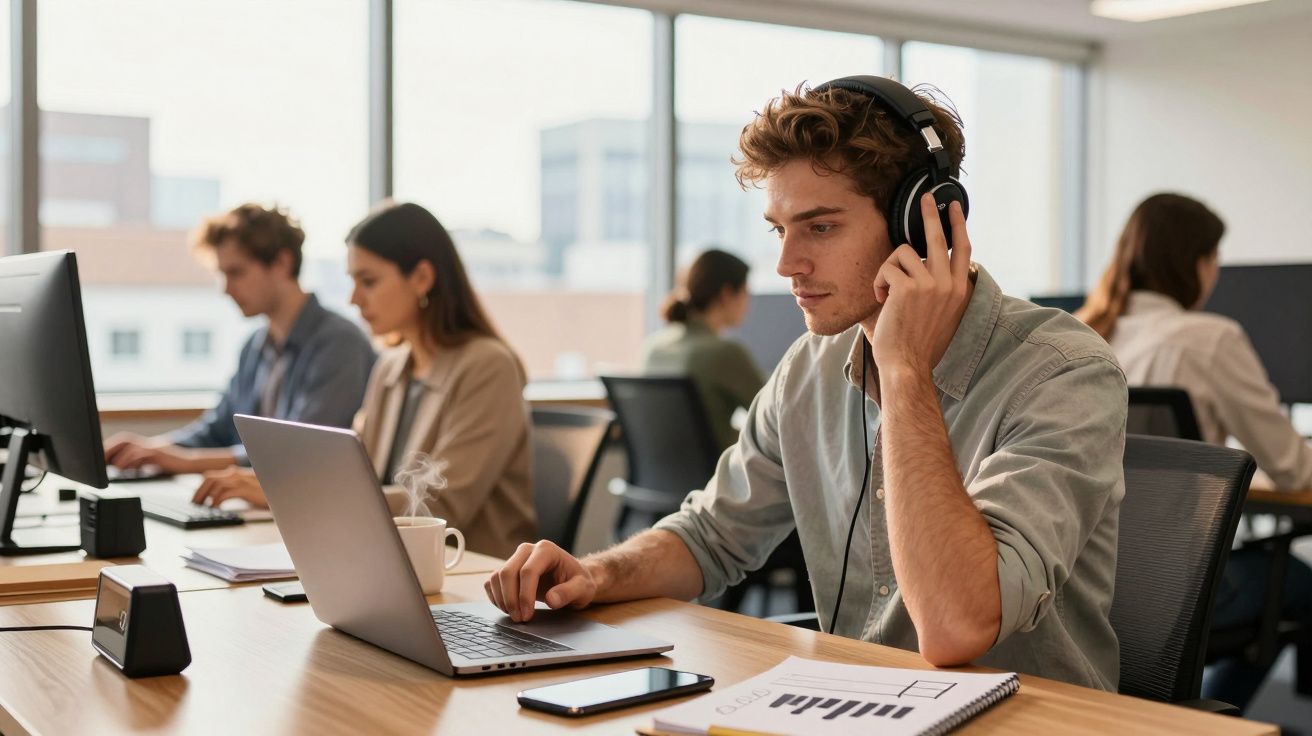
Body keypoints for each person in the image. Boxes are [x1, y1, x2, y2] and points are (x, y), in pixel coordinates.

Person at [484, 77, 1128, 690]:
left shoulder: (1062, 371)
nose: (788, 265)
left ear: (922, 222)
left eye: (819, 227)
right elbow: (711, 537)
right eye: (779, 231)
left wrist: (905, 373)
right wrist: (593, 575)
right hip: (856, 704)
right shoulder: (810, 369)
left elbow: (958, 625)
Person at [1077, 192, 1312, 711]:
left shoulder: (1083, 333)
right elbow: (1293, 469)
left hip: (1084, 589)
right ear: (1197, 264)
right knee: (1299, 582)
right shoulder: (1209, 339)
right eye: (1214, 260)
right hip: (1168, 592)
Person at [195, 202, 536, 559]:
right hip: (390, 563)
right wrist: (284, 489)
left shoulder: (488, 366)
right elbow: (356, 481)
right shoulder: (390, 369)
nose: (354, 299)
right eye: (352, 281)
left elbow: (441, 506)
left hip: (470, 574)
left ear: (421, 277)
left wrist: (294, 494)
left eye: (368, 281)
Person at [103, 203, 376, 482]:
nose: (226, 289)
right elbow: (218, 428)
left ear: (282, 263)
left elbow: (300, 452)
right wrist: (152, 449)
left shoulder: (339, 344)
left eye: (236, 273)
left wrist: (188, 461)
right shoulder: (255, 346)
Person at [641, 249, 765, 452]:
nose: (749, 301)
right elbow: (776, 416)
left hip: (659, 480)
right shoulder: (724, 352)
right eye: (745, 292)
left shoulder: (653, 347)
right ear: (727, 293)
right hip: (717, 479)